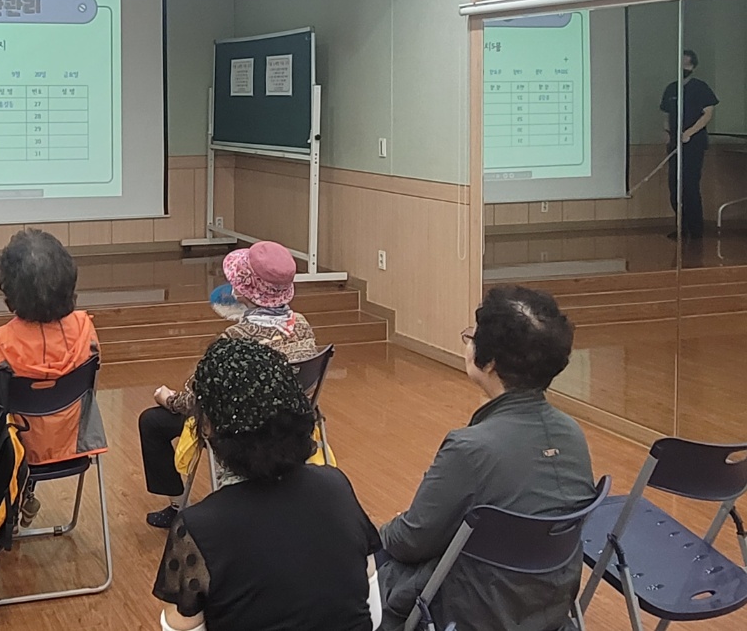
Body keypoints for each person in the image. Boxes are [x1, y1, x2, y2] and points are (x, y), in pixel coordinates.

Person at [377, 285, 596, 631]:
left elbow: (411, 540)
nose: (468, 344)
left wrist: (383, 532)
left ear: (490, 362)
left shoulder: (470, 448)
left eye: (472, 337)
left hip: (471, 612)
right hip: (548, 609)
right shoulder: (573, 435)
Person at [153, 336, 381, 631]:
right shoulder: (336, 486)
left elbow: (180, 626)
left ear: (207, 427)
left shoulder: (198, 526)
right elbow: (372, 607)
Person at [139, 241, 318, 528]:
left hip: (243, 436)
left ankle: (177, 506)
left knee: (152, 422)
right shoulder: (303, 325)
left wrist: (167, 398)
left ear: (242, 291)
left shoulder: (234, 339)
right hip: (292, 427)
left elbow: (194, 401)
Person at [0, 228, 106, 527]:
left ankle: (10, 499)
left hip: (11, 452)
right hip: (73, 444)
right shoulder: (86, 331)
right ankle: (25, 491)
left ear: (9, 290)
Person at [660, 49, 718, 241]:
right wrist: (668, 134)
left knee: (690, 186)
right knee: (674, 187)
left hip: (693, 145)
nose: (683, 67)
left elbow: (708, 114)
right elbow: (666, 115)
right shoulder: (671, 89)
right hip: (674, 145)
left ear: (693, 67)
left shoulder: (700, 88)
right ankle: (681, 227)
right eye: (681, 64)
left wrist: (689, 133)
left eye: (687, 64)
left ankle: (696, 229)